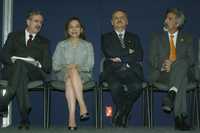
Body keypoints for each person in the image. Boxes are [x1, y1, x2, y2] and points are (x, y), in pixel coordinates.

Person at [0, 10, 52, 129]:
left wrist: (37, 63)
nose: (39, 24)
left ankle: (5, 98)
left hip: (33, 73)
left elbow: (48, 67)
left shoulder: (44, 42)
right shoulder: (13, 36)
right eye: (36, 21)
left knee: (21, 66)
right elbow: (3, 55)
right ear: (28, 22)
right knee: (20, 68)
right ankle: (25, 116)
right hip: (12, 71)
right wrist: (12, 60)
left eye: (41, 22)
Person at [148, 8, 194, 130]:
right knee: (181, 79)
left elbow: (192, 60)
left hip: (181, 71)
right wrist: (163, 65)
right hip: (163, 74)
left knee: (182, 65)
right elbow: (152, 58)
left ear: (177, 23)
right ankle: (180, 116)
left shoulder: (188, 38)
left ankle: (173, 94)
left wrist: (173, 63)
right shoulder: (156, 37)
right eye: (166, 18)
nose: (165, 20)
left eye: (170, 19)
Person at [101, 9, 144, 128]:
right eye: (116, 17)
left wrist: (121, 58)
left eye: (122, 17)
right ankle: (125, 113)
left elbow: (139, 55)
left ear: (127, 21)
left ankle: (121, 112)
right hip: (113, 70)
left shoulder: (134, 37)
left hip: (132, 70)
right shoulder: (106, 37)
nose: (119, 19)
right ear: (112, 22)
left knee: (137, 87)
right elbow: (110, 52)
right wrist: (128, 52)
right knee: (115, 86)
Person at [52, 17, 94, 130]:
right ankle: (82, 106)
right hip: (62, 73)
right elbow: (55, 65)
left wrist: (77, 67)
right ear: (67, 30)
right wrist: (68, 67)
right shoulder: (61, 45)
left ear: (81, 29)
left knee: (71, 78)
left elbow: (89, 66)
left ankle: (71, 119)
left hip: (83, 75)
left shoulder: (88, 45)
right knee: (71, 72)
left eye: (77, 26)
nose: (74, 29)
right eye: (71, 27)